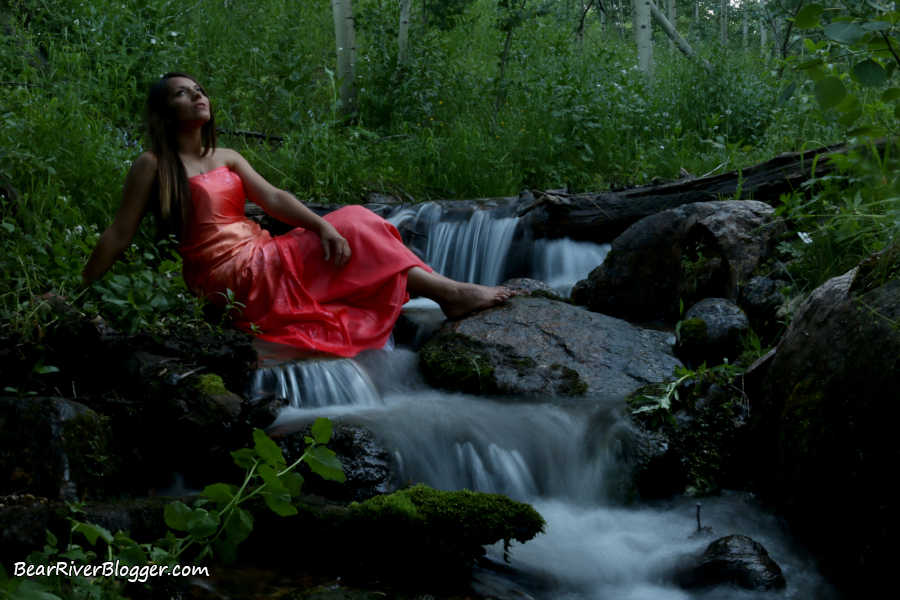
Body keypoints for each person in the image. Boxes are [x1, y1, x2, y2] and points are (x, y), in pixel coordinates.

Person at [82, 72, 514, 357]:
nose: (197, 95)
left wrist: (322, 225)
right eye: (182, 92)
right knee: (359, 222)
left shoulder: (226, 156)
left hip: (262, 254)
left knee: (354, 227)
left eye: (200, 89)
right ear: (165, 110)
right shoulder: (153, 164)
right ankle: (449, 293)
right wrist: (80, 289)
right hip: (225, 277)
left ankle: (449, 292)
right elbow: (120, 234)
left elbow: (272, 197)